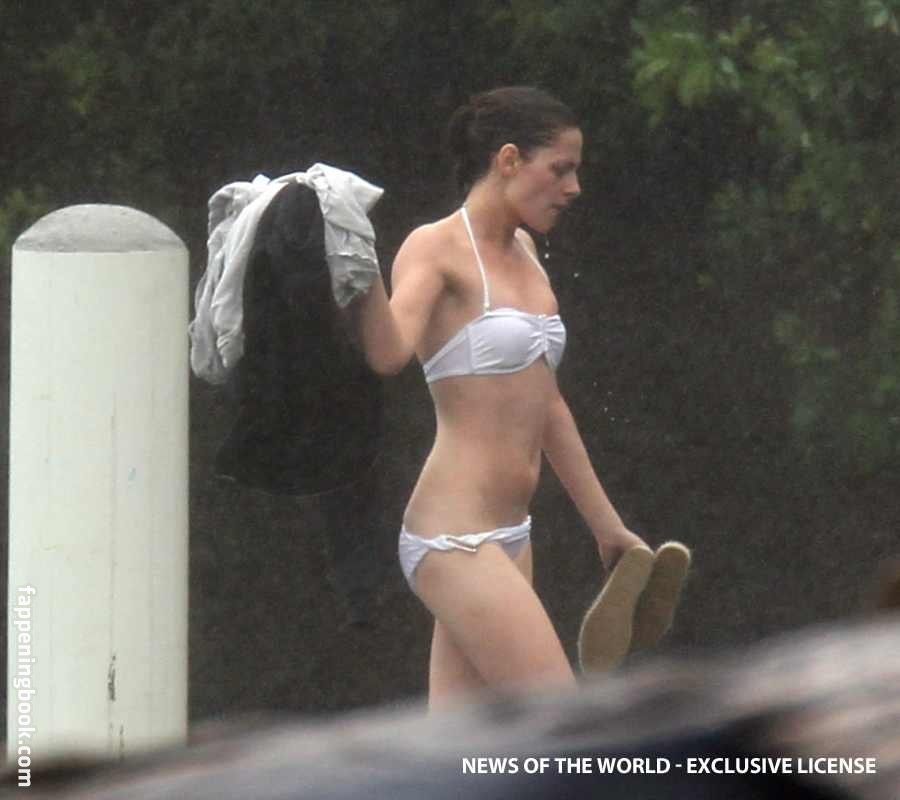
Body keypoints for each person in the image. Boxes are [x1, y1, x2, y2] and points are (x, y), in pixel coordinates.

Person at [355, 86, 656, 708]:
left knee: (464, 751)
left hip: (512, 534)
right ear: (510, 159)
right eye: (561, 169)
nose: (573, 188)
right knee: (561, 729)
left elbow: (548, 407)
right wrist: (353, 265)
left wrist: (606, 527)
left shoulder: (526, 252)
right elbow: (388, 353)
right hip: (454, 538)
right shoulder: (434, 247)